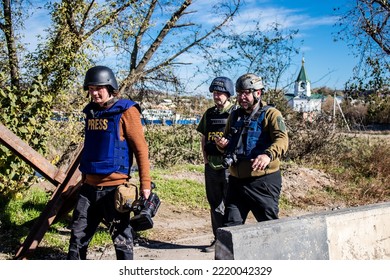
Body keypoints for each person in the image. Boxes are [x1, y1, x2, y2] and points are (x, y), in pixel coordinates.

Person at [67, 65, 152, 260]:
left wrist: (145, 185)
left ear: (110, 87)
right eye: (90, 89)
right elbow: (91, 149)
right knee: (77, 240)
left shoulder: (126, 110)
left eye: (98, 88)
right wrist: (84, 179)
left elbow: (141, 149)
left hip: (115, 191)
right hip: (88, 189)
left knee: (122, 243)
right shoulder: (91, 112)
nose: (94, 93)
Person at [215, 73, 288, 227]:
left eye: (246, 93)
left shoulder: (271, 114)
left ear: (258, 93)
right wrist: (221, 145)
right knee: (230, 228)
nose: (242, 97)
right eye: (240, 93)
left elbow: (282, 140)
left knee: (269, 227)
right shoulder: (234, 116)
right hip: (236, 182)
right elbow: (228, 141)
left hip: (262, 182)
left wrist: (268, 155)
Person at [196, 77, 236, 253]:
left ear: (228, 94)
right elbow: (204, 137)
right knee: (215, 204)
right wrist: (205, 159)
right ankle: (218, 239)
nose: (216, 96)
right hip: (211, 165)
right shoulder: (209, 113)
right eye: (214, 93)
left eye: (219, 93)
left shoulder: (236, 113)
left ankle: (231, 240)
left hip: (229, 167)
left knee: (231, 204)